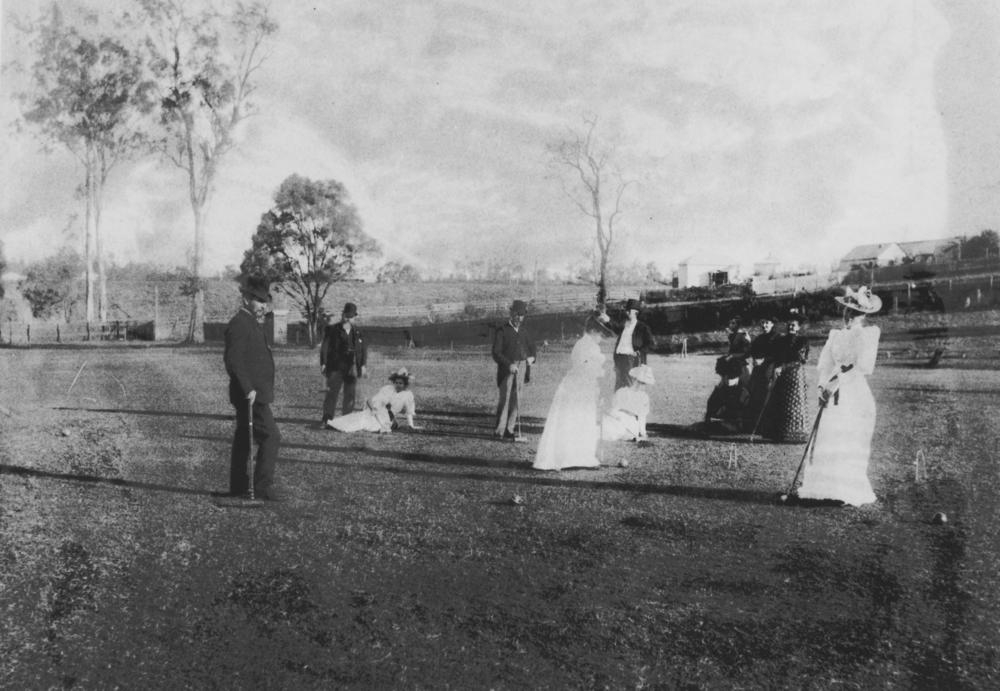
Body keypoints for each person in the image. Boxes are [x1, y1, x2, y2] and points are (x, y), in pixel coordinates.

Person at [795, 286, 882, 506]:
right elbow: (825, 364)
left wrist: (836, 383)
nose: (849, 316)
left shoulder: (867, 335)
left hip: (853, 392)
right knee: (829, 435)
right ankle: (824, 488)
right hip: (832, 390)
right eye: (847, 312)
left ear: (862, 316)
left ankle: (845, 490)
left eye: (854, 313)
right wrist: (822, 387)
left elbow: (863, 367)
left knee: (848, 438)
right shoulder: (835, 335)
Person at [223, 276, 281, 500]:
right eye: (258, 300)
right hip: (250, 395)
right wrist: (248, 388)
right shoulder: (240, 323)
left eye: (265, 301)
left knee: (243, 439)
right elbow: (233, 360)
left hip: (254, 393)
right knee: (271, 436)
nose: (262, 305)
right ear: (246, 298)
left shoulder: (251, 322)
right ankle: (262, 487)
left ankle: (239, 487)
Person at [533, 329, 606, 470]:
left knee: (582, 418)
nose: (601, 338)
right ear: (593, 331)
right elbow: (584, 367)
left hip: (583, 385)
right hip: (578, 386)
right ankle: (568, 457)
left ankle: (581, 456)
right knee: (573, 418)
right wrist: (599, 374)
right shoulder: (586, 345)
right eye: (600, 334)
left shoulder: (587, 344)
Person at [492, 300, 536, 440]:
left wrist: (532, 358)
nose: (520, 318)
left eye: (522, 316)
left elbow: (532, 348)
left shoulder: (524, 331)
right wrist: (509, 364)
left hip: (522, 368)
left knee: (516, 400)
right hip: (507, 369)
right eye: (518, 315)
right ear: (512, 314)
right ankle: (499, 431)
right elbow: (496, 352)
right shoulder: (502, 330)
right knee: (504, 400)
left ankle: (509, 430)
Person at [327, 368, 422, 433]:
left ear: (405, 384)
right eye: (396, 382)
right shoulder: (388, 388)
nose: (397, 385)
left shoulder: (408, 395)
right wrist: (373, 409)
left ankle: (343, 426)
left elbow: (409, 411)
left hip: (388, 418)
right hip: (377, 411)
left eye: (400, 383)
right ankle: (335, 424)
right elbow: (373, 400)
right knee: (361, 417)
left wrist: (411, 425)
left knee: (369, 424)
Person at [766, 311, 811, 442]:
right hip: (781, 375)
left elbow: (800, 360)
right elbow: (777, 356)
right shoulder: (780, 340)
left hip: (795, 375)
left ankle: (797, 434)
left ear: (798, 327)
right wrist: (776, 368)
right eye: (789, 325)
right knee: (781, 402)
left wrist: (783, 367)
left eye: (794, 325)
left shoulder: (803, 340)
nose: (791, 327)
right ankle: (781, 433)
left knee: (794, 403)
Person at [320, 302, 367, 424]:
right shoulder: (332, 330)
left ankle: (347, 419)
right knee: (332, 393)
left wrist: (362, 365)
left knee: (350, 394)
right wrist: (323, 363)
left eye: (350, 317)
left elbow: (363, 350)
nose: (347, 319)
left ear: (354, 317)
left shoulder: (358, 332)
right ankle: (327, 418)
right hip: (335, 366)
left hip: (351, 367)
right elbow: (325, 347)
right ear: (342, 315)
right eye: (346, 316)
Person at [704, 318, 752, 432]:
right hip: (731, 366)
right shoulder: (732, 335)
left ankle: (742, 421)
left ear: (738, 324)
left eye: (734, 323)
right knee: (723, 389)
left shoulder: (743, 335)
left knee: (741, 391)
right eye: (730, 322)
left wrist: (732, 356)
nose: (731, 325)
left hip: (741, 367)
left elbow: (746, 353)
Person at [598, 299, 654, 390]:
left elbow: (650, 344)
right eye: (626, 311)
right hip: (619, 358)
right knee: (619, 386)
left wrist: (639, 352)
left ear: (636, 313)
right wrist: (607, 320)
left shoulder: (643, 328)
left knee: (629, 386)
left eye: (629, 311)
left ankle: (628, 403)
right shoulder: (625, 324)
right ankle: (619, 403)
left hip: (631, 360)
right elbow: (615, 327)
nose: (627, 313)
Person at [746, 317, 781, 435]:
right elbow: (752, 351)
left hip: (770, 369)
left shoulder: (777, 337)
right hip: (758, 370)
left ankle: (768, 427)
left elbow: (777, 354)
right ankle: (755, 425)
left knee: (768, 395)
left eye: (767, 323)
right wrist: (749, 343)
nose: (764, 325)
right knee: (755, 394)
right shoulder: (759, 338)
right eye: (763, 323)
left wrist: (764, 360)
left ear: (772, 324)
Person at [602, 364, 654, 442]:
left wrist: (643, 433)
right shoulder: (622, 392)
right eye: (638, 381)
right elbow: (614, 409)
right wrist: (615, 416)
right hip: (617, 418)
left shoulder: (644, 397)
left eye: (643, 383)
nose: (640, 385)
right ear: (633, 379)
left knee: (619, 430)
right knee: (607, 426)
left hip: (630, 422)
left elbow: (642, 416)